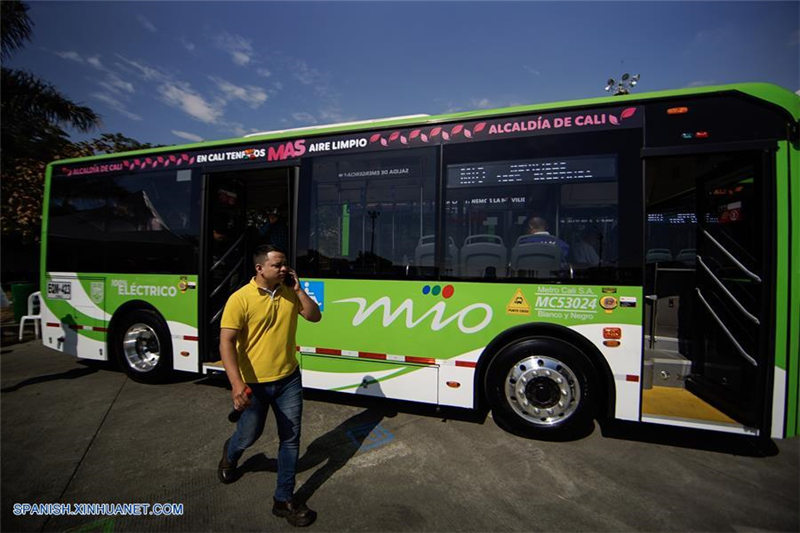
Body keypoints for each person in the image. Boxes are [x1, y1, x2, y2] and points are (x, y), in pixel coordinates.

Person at [218, 244, 321, 527]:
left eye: (285, 263)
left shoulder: (290, 291)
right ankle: (231, 452)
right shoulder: (240, 299)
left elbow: (315, 316)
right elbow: (226, 342)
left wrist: (299, 290)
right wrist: (236, 384)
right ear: (259, 268)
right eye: (277, 264)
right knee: (249, 435)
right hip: (254, 384)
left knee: (290, 439)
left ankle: (283, 499)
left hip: (289, 379)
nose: (283, 268)